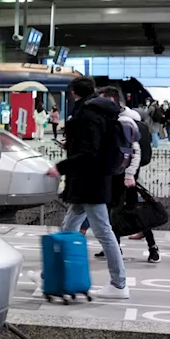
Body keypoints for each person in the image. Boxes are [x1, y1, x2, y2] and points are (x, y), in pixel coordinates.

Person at [47, 76, 128, 299]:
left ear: (73, 92)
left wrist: (61, 166)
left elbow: (88, 152)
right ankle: (50, 276)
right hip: (89, 181)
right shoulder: (100, 110)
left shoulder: (88, 113)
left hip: (90, 182)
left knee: (103, 232)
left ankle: (119, 284)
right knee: (68, 227)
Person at [94, 86, 159, 263]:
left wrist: (129, 175)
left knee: (128, 211)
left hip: (125, 176)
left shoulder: (124, 121)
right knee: (120, 211)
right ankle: (115, 247)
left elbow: (135, 151)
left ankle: (151, 248)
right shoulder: (117, 119)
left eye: (102, 100)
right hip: (118, 174)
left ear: (112, 100)